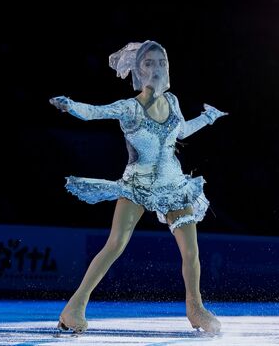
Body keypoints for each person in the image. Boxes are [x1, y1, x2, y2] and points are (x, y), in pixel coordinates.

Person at [49, 40, 228, 334]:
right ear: (138, 71)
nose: (156, 69)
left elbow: (180, 130)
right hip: (138, 185)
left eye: (161, 63)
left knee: (191, 252)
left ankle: (195, 308)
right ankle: (74, 307)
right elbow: (95, 112)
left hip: (173, 184)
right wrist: (71, 107)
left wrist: (208, 118)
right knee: (115, 244)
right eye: (148, 63)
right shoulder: (129, 108)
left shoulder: (172, 102)